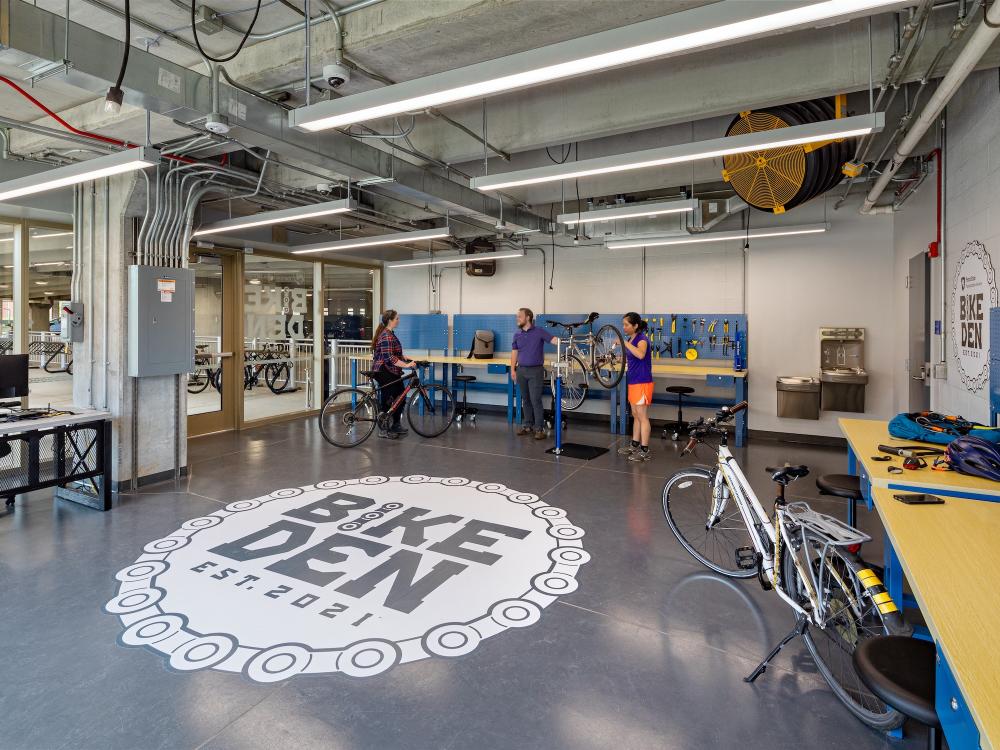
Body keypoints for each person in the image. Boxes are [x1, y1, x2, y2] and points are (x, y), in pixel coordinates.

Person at [511, 307, 559, 439]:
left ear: (528, 317)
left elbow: (554, 340)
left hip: (535, 371)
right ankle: (527, 425)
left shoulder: (539, 331)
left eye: (520, 316)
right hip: (521, 370)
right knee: (525, 399)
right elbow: (514, 352)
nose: (517, 319)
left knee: (535, 400)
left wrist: (565, 341)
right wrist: (513, 369)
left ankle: (539, 429)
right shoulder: (517, 334)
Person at [371, 309, 417, 439]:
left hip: (390, 370)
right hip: (384, 371)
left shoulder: (390, 334)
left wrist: (404, 358)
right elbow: (389, 358)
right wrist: (406, 365)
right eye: (397, 318)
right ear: (390, 320)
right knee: (388, 400)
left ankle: (396, 424)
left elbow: (394, 353)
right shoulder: (386, 335)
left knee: (400, 397)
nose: (398, 320)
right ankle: (383, 429)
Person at [619, 312, 653, 462]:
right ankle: (634, 445)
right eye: (623, 324)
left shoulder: (642, 339)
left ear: (635, 326)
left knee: (642, 416)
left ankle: (645, 450)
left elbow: (640, 354)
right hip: (633, 381)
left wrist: (624, 343)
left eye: (626, 325)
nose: (624, 327)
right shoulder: (630, 339)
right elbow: (631, 357)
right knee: (635, 414)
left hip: (642, 381)